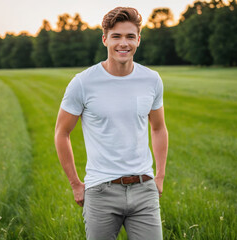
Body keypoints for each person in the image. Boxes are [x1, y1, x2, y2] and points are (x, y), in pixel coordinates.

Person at [54, 6, 168, 240]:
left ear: (138, 39)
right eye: (116, 36)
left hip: (144, 187)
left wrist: (159, 176)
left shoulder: (151, 79)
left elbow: (158, 128)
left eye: (129, 36)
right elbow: (61, 133)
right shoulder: (83, 83)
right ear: (105, 39)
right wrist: (76, 183)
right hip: (101, 190)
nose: (123, 43)